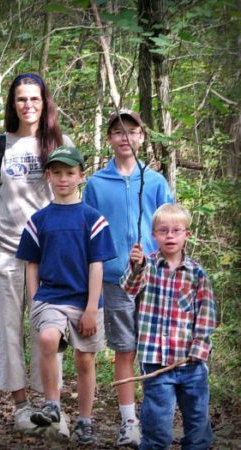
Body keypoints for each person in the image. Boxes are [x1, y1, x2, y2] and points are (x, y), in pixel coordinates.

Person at [0, 73, 72, 433]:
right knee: (8, 328)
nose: (28, 105)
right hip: (3, 251)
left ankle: (52, 407)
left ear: (44, 103)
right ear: (13, 105)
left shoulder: (59, 143)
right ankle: (21, 407)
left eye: (34, 99)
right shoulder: (0, 145)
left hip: (49, 257)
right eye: (21, 99)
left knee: (49, 332)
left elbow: (72, 198)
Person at [82, 109, 173, 448]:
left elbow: (169, 228)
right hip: (114, 280)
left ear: (142, 138)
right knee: (125, 350)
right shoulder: (95, 184)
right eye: (118, 132)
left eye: (132, 132)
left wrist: (155, 260)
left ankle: (156, 420)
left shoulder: (155, 181)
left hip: (153, 280)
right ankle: (129, 422)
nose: (125, 138)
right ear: (109, 139)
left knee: (155, 351)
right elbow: (88, 233)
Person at [16, 146, 116, 444]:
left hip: (85, 301)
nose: (63, 179)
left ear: (80, 177)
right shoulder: (39, 220)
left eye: (70, 173)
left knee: (85, 360)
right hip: (50, 297)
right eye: (57, 173)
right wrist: (36, 301)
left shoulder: (93, 219)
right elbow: (31, 264)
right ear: (48, 176)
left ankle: (85, 421)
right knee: (47, 338)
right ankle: (52, 405)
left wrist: (90, 309)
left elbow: (96, 266)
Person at [121, 203, 217, 450]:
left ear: (188, 234)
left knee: (197, 423)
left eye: (177, 230)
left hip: (191, 364)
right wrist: (136, 266)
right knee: (156, 424)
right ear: (154, 235)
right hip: (156, 361)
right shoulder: (148, 266)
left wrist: (199, 348)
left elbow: (206, 314)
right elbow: (129, 288)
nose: (170, 235)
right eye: (163, 231)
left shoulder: (197, 274)